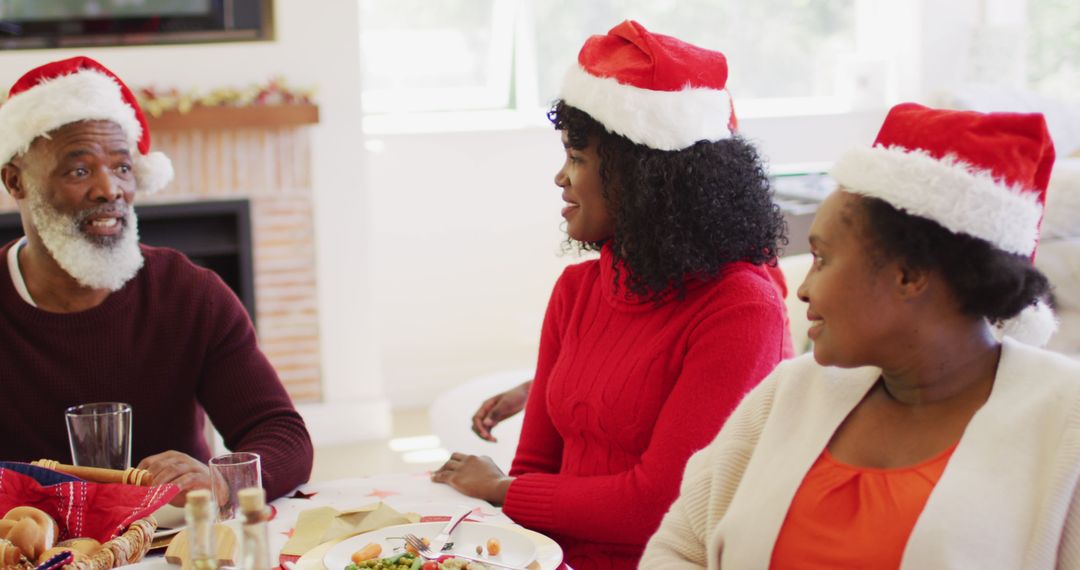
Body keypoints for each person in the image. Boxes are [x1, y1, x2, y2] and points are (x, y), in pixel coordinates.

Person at [641, 103, 1080, 568]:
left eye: (823, 258)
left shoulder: (1064, 423)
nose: (804, 288)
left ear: (909, 275)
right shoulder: (789, 392)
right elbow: (679, 549)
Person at [433, 21, 791, 569]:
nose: (560, 177)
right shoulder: (577, 289)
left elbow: (658, 504)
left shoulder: (741, 308)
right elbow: (534, 462)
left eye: (577, 158)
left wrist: (502, 491)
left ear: (643, 180)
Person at [0, 56, 313, 504]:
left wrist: (222, 482)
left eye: (123, 167)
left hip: (176, 545)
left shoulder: (190, 293)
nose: (111, 190)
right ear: (16, 181)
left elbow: (281, 434)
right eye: (80, 170)